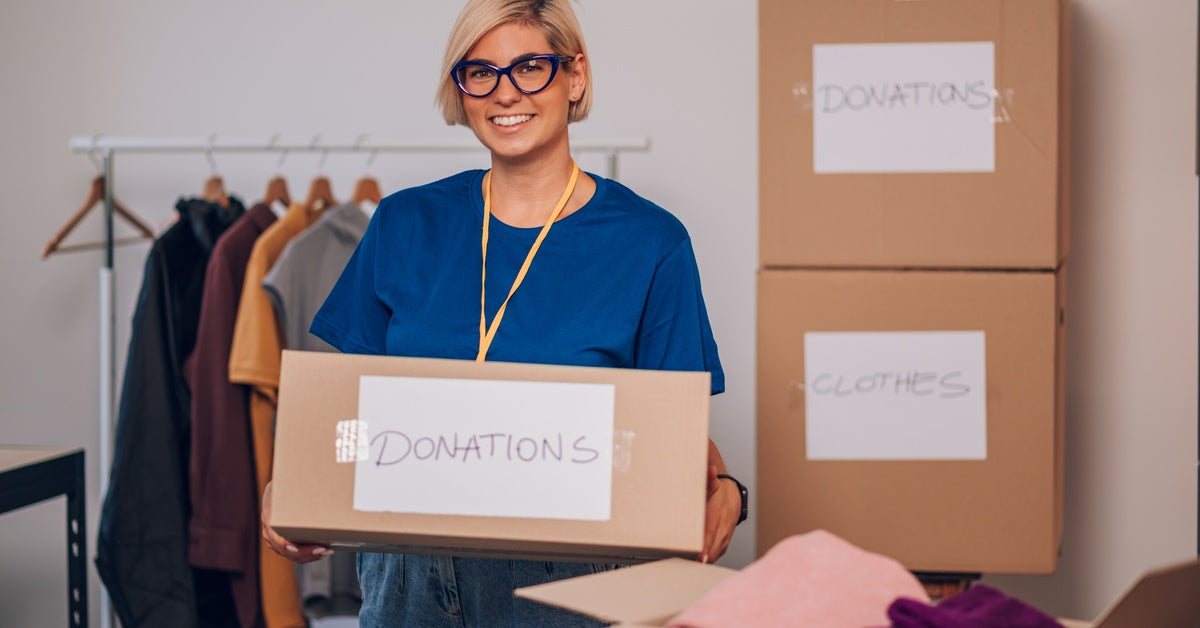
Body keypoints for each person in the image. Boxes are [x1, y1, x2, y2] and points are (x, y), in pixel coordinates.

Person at [261, 0, 745, 625]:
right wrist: (290, 489)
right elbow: (350, 408)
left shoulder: (651, 243)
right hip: (408, 575)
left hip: (568, 583)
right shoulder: (404, 224)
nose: (504, 92)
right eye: (481, 72)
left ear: (575, 76)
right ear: (460, 90)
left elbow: (667, 434)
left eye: (530, 68)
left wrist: (728, 489)